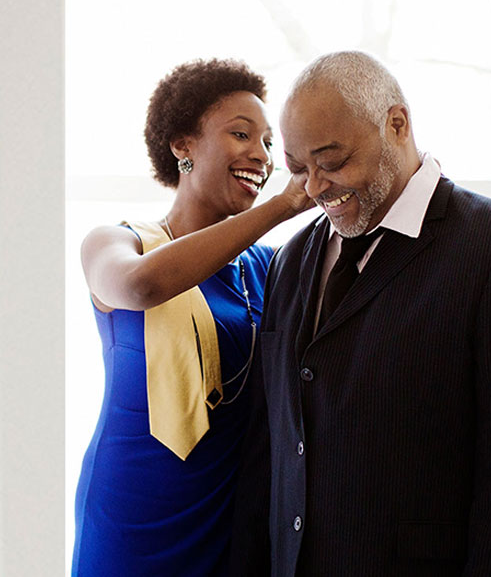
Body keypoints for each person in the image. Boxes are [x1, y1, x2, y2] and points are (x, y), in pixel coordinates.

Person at [230, 51, 491, 576]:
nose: (314, 188)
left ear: (397, 124)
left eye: (332, 161)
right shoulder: (292, 259)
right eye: (299, 169)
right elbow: (273, 454)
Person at [71, 59, 312, 576]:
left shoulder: (268, 267)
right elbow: (142, 286)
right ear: (183, 145)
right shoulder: (118, 243)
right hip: (133, 512)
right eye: (241, 134)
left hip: (228, 514)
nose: (261, 155)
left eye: (270, 143)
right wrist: (280, 208)